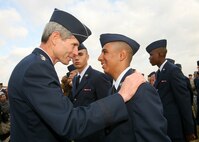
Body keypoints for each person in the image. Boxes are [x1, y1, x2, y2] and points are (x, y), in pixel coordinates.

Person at [7, 8, 145, 142]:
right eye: (73, 45)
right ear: (55, 37)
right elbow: (69, 124)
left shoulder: (34, 64)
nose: (74, 53)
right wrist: (121, 96)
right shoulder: (37, 69)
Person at [98, 33, 171, 142]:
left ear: (122, 55)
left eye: (105, 52)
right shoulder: (112, 89)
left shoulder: (142, 90)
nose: (99, 58)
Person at [146, 39, 196, 142]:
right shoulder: (159, 73)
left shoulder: (173, 70)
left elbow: (183, 101)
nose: (149, 58)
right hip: (165, 126)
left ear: (159, 54)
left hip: (175, 128)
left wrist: (189, 130)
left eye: (151, 54)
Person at [69, 43, 111, 142]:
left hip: (94, 134)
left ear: (87, 57)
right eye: (74, 56)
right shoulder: (76, 79)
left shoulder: (98, 77)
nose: (76, 58)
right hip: (79, 132)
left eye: (80, 54)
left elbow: (107, 109)